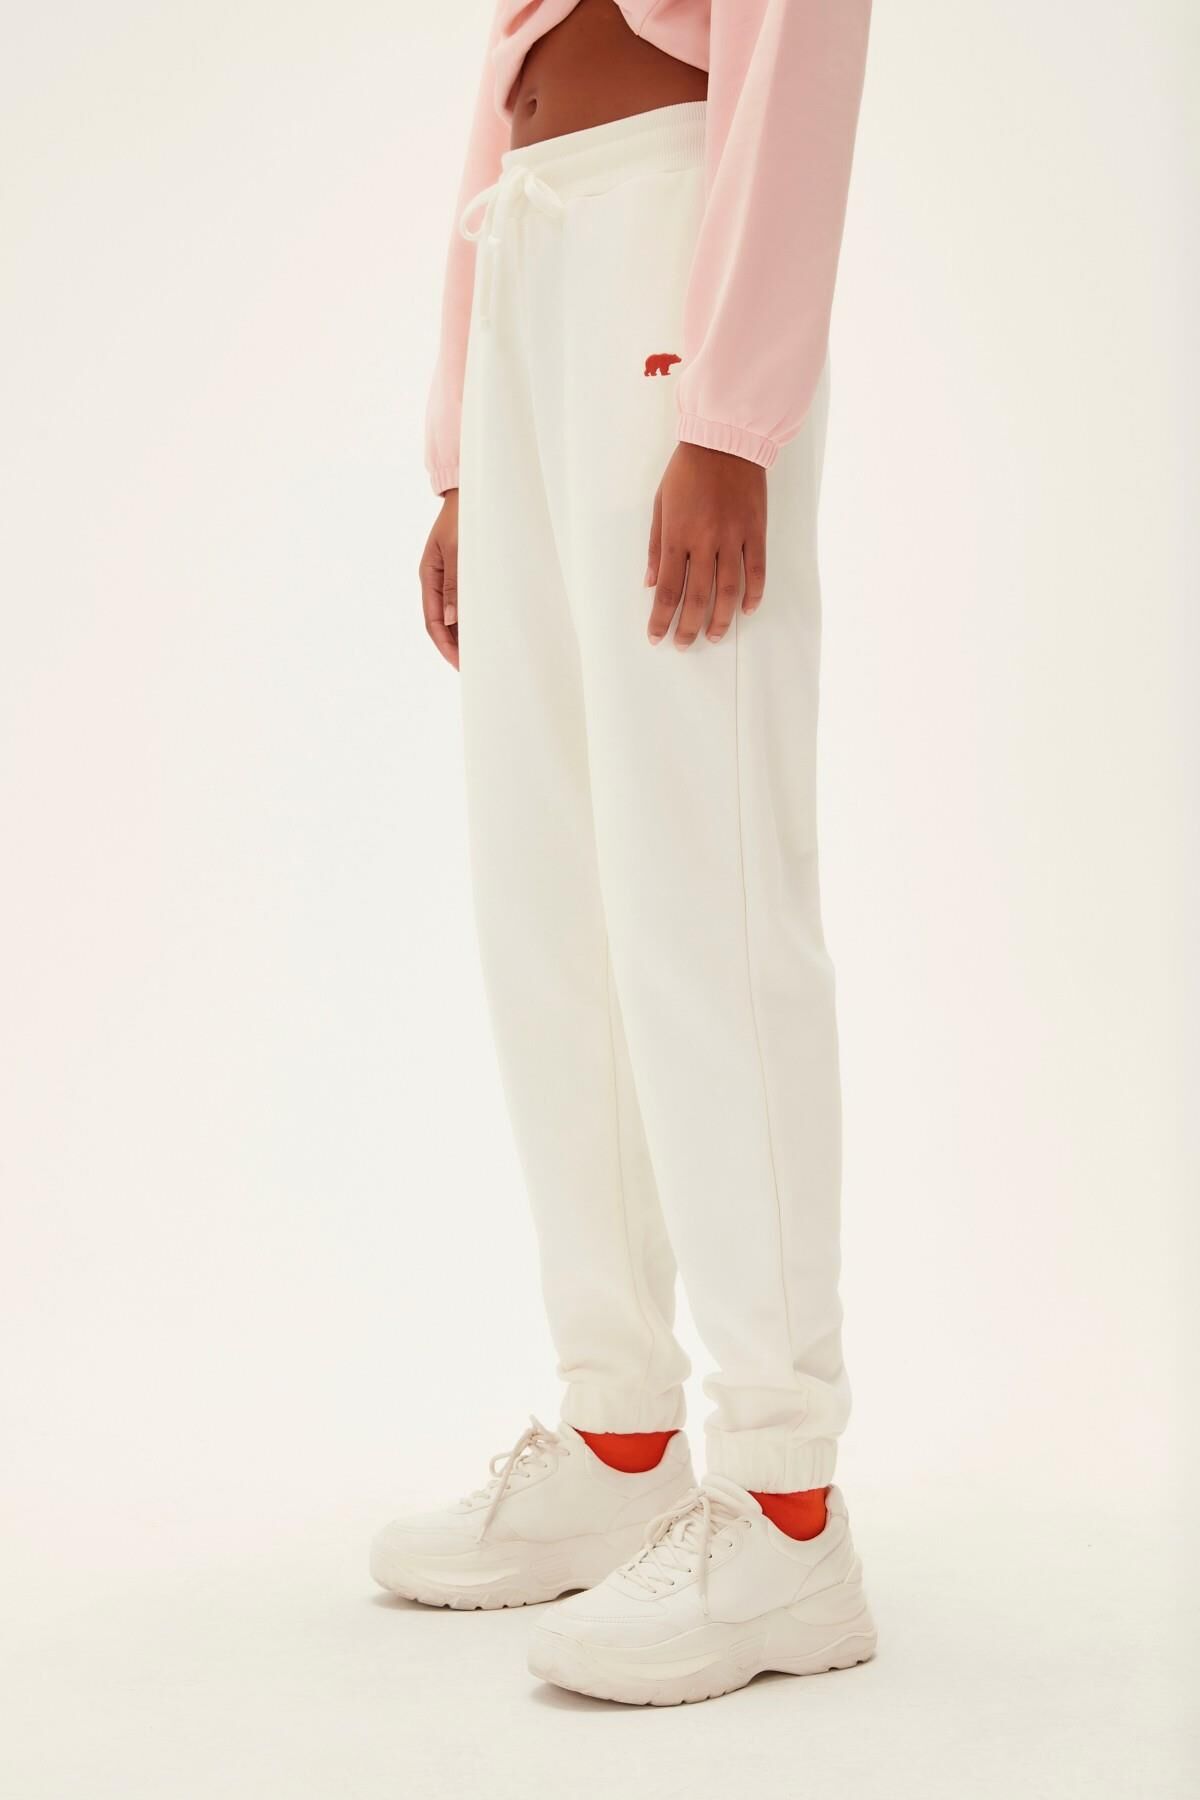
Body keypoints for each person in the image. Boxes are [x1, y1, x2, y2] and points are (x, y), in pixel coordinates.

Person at [373, 0, 874, 1706]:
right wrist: (461, 451)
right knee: (549, 891)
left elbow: (799, 57)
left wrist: (731, 418)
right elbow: (503, 82)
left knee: (702, 879)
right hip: (534, 251)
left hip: (676, 246)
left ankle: (788, 1507)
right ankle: (620, 1437)